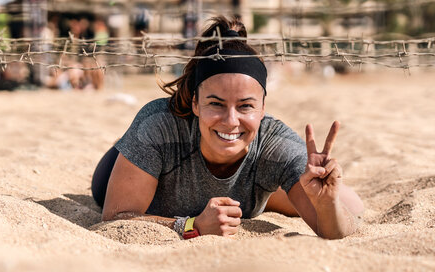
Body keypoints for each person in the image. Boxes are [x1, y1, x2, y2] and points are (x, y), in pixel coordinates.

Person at [91, 16, 364, 240]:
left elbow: (336, 230)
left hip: (248, 180)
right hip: (137, 173)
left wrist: (327, 204)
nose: (231, 120)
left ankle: (269, 193)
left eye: (245, 106)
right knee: (106, 187)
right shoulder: (158, 124)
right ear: (196, 104)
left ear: (263, 109)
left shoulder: (275, 143)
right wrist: (192, 225)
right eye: (216, 104)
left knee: (348, 204)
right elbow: (116, 219)